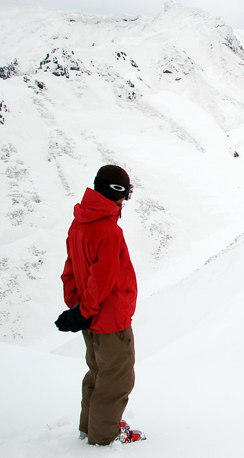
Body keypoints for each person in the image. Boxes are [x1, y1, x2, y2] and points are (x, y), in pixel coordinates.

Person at [54, 165, 145, 445]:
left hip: (91, 319)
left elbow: (70, 269)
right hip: (110, 320)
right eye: (127, 193)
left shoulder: (79, 223)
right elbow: (103, 280)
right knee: (116, 380)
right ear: (117, 192)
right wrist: (85, 311)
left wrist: (78, 309)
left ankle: (90, 426)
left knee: (97, 373)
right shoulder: (108, 230)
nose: (126, 200)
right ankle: (104, 437)